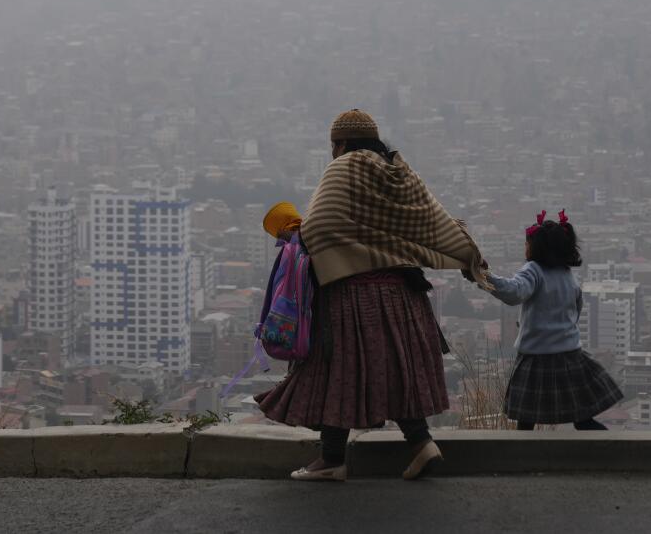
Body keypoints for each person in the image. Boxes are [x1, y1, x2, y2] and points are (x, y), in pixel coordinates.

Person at [256, 109, 488, 482]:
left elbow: (318, 227)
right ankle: (421, 443)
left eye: (334, 145)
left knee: (340, 372)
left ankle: (332, 460)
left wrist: (299, 237)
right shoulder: (400, 173)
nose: (333, 152)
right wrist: (469, 255)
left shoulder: (343, 169)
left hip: (353, 294)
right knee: (396, 369)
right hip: (404, 295)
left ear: (342, 143)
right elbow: (432, 221)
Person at [484, 210, 623, 431]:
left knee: (526, 420)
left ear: (537, 247)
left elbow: (513, 292)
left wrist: (485, 277)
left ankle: (522, 459)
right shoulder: (566, 273)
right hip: (570, 356)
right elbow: (575, 310)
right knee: (583, 418)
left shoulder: (533, 271)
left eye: (527, 243)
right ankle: (608, 449)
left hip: (536, 357)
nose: (525, 248)